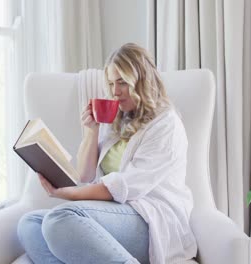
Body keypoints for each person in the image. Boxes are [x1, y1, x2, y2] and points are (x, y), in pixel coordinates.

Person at [17, 43, 197, 264]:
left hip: (149, 218)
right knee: (30, 224)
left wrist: (68, 194)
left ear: (142, 80)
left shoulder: (166, 125)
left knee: (59, 219)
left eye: (122, 82)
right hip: (114, 213)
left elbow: (125, 187)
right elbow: (84, 174)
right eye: (111, 83)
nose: (115, 91)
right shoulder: (118, 119)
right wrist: (91, 132)